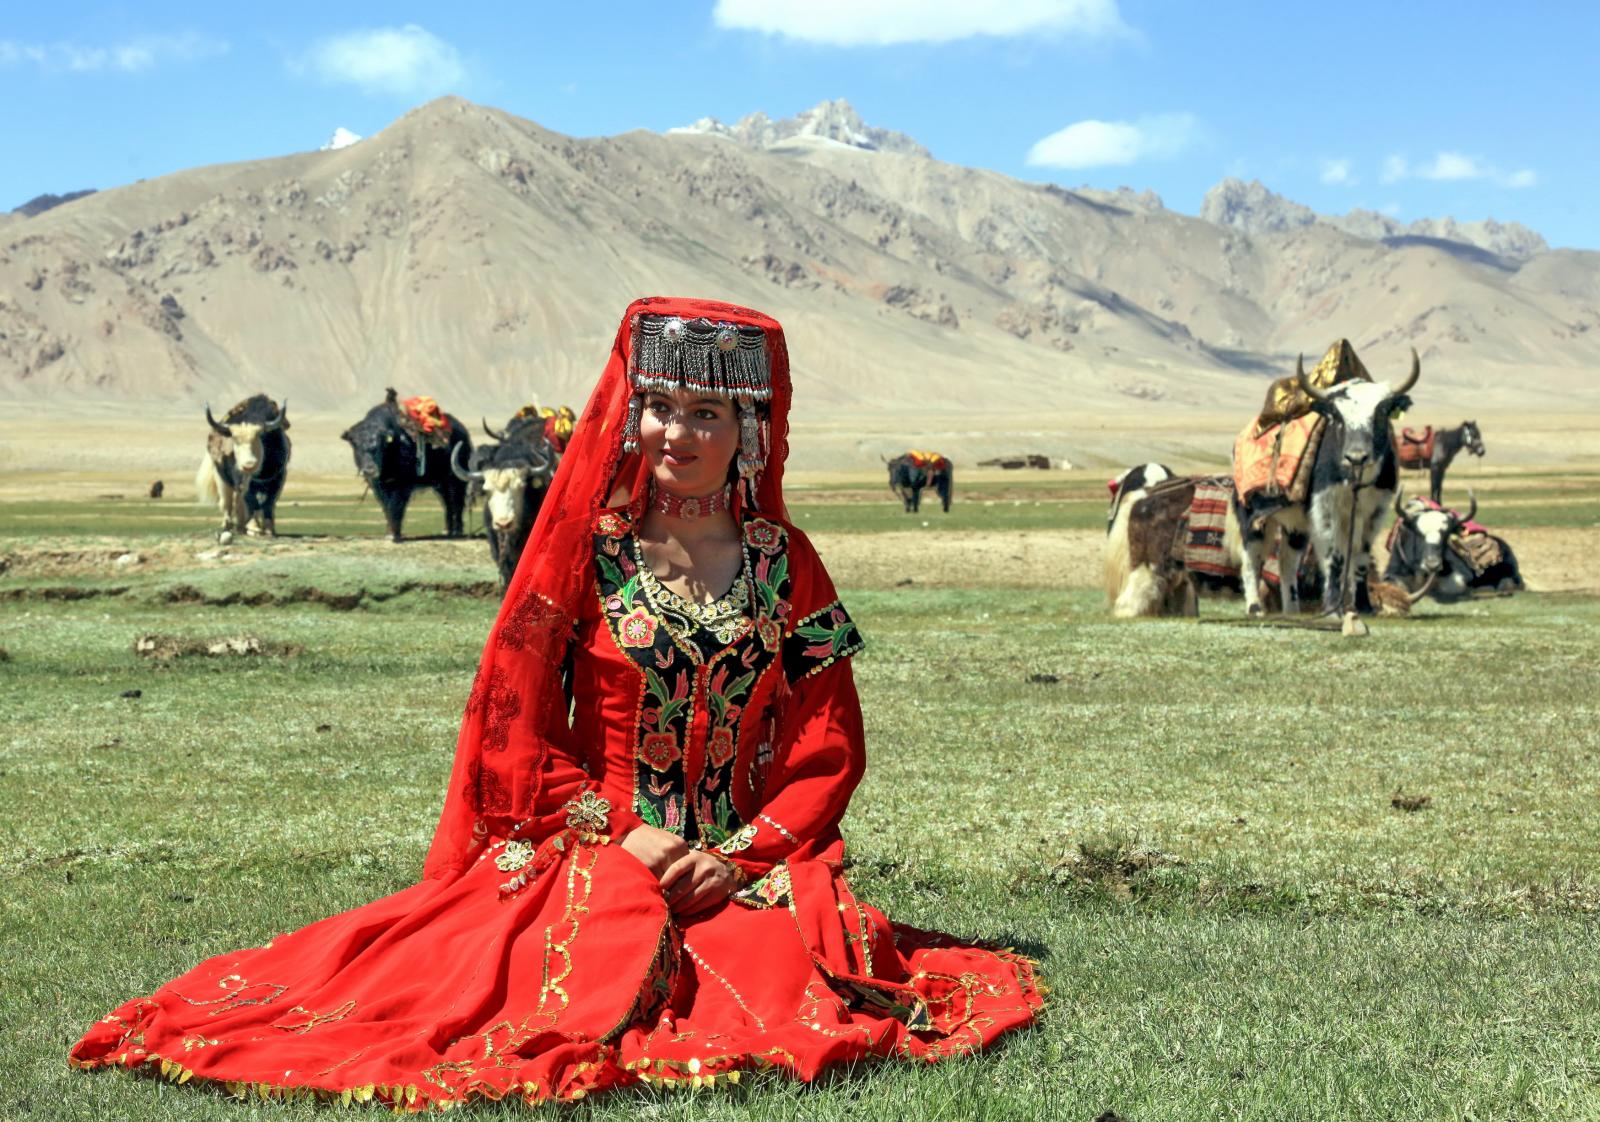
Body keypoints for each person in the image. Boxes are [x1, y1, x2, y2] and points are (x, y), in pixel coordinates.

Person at [71, 297, 1042, 1109]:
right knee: (581, 953)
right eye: (659, 406)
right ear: (628, 415)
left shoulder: (793, 566)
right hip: (594, 848)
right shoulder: (580, 560)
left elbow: (829, 741)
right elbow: (513, 733)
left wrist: (746, 852)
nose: (679, 433)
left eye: (709, 413)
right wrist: (622, 832)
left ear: (750, 428)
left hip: (746, 859)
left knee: (778, 963)